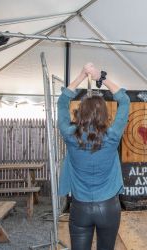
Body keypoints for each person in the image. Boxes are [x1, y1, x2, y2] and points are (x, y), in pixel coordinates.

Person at [57, 63, 130, 250]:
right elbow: (125, 100)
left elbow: (62, 101)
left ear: (80, 113)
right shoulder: (112, 136)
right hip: (108, 207)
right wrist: (101, 77)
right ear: (104, 115)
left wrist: (82, 75)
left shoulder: (69, 134)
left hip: (80, 207)